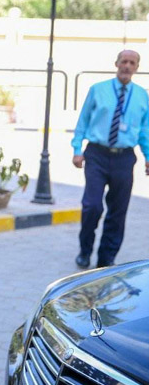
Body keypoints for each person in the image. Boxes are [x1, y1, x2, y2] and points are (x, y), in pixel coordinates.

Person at [71, 49, 149, 269]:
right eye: (124, 61)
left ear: (137, 68)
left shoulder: (142, 96)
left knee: (118, 210)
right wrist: (77, 149)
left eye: (132, 63)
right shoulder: (98, 90)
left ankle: (106, 259)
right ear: (116, 64)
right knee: (92, 206)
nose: (127, 66)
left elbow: (144, 130)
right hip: (97, 154)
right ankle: (85, 251)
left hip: (124, 158)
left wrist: (148, 156)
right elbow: (83, 121)